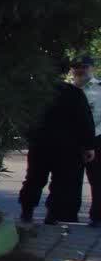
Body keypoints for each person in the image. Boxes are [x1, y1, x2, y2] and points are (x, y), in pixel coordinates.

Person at [20, 58, 96, 224]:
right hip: (67, 146)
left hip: (40, 143)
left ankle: (27, 210)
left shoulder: (36, 92)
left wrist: (30, 137)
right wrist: (89, 146)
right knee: (61, 182)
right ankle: (53, 214)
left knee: (34, 178)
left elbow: (25, 117)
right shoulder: (74, 93)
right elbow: (85, 121)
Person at [75, 57, 101, 227]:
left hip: (97, 139)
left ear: (92, 67)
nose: (81, 70)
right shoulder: (68, 89)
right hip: (72, 141)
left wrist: (92, 139)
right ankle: (66, 213)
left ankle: (97, 216)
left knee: (97, 180)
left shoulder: (99, 88)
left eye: (84, 66)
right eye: (77, 67)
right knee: (69, 179)